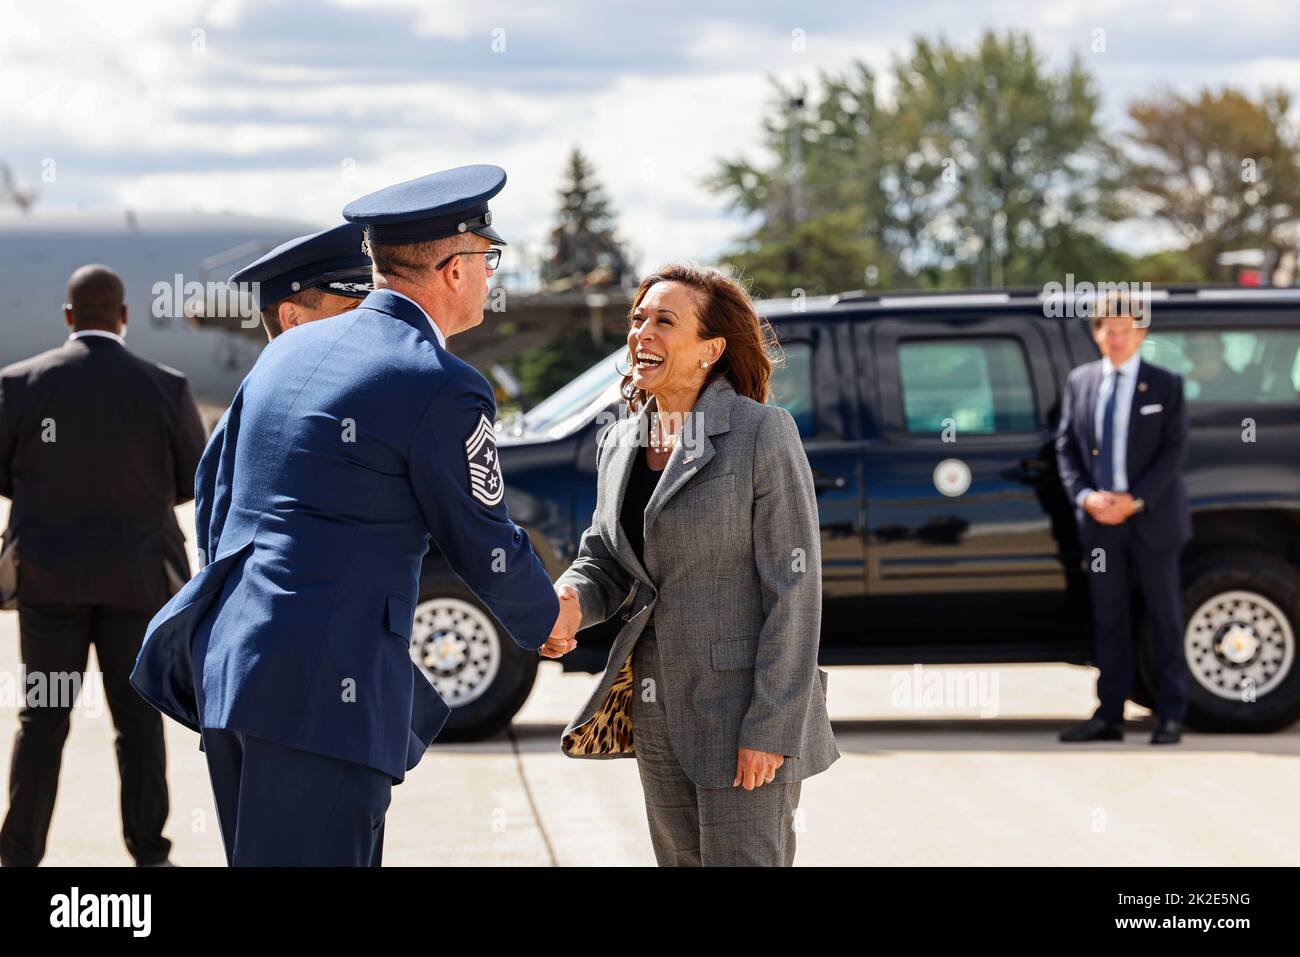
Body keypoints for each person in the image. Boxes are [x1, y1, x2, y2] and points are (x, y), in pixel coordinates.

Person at [131, 165, 571, 866]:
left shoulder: (286, 353)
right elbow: (482, 537)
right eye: (488, 259)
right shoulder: (443, 382)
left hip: (234, 672)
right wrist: (549, 617)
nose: (492, 275)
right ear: (454, 270)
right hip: (320, 697)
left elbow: (216, 499)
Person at [542, 262, 839, 866]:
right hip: (657, 715)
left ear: (712, 349)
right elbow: (605, 560)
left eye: (664, 321)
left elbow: (795, 591)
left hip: (745, 717)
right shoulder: (620, 442)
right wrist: (569, 602)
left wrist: (771, 727)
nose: (642, 332)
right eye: (638, 318)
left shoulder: (762, 434)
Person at [0, 264, 206, 866]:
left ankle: (17, 855)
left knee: (42, 720)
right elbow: (192, 476)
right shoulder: (164, 386)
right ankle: (149, 853)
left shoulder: (19, 383)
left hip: (48, 583)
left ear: (69, 318)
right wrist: (135, 504)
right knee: (138, 721)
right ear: (123, 318)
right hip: (136, 580)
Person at [1055, 292, 1192, 745]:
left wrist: (1135, 500)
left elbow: (1174, 451)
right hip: (1099, 525)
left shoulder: (1166, 385)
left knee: (1164, 617)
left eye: (1124, 330)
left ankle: (1171, 715)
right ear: (1096, 334)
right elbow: (1067, 447)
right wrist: (1087, 497)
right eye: (1107, 330)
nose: (1116, 338)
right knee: (1109, 619)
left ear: (1141, 333)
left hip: (1152, 520)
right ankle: (1108, 715)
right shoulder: (1081, 382)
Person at [197, 222, 374, 565]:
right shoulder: (251, 420)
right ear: (291, 318)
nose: (368, 325)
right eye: (350, 311)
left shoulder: (358, 404)